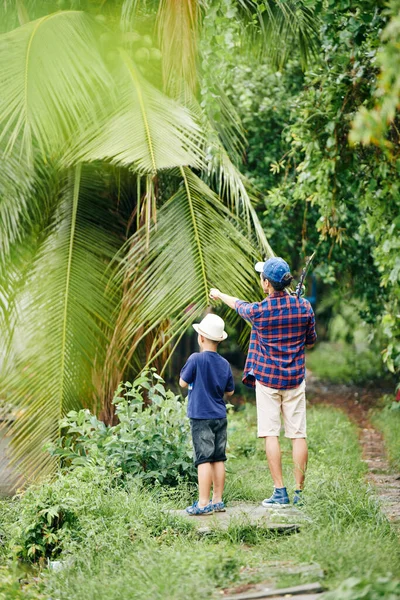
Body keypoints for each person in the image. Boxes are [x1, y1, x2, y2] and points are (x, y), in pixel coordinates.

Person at [209, 257, 316, 508]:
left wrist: (218, 293)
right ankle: (299, 493)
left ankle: (280, 491)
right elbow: (310, 341)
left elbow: (239, 305)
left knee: (271, 434)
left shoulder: (260, 311)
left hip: (268, 381)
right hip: (294, 379)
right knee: (298, 435)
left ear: (266, 283)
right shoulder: (304, 307)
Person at [179, 313, 235, 515]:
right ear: (219, 340)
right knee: (218, 458)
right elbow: (229, 392)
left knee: (203, 459)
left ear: (201, 338)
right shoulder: (224, 364)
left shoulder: (195, 359)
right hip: (220, 416)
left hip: (200, 417)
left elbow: (182, 383)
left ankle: (203, 504)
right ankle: (217, 500)